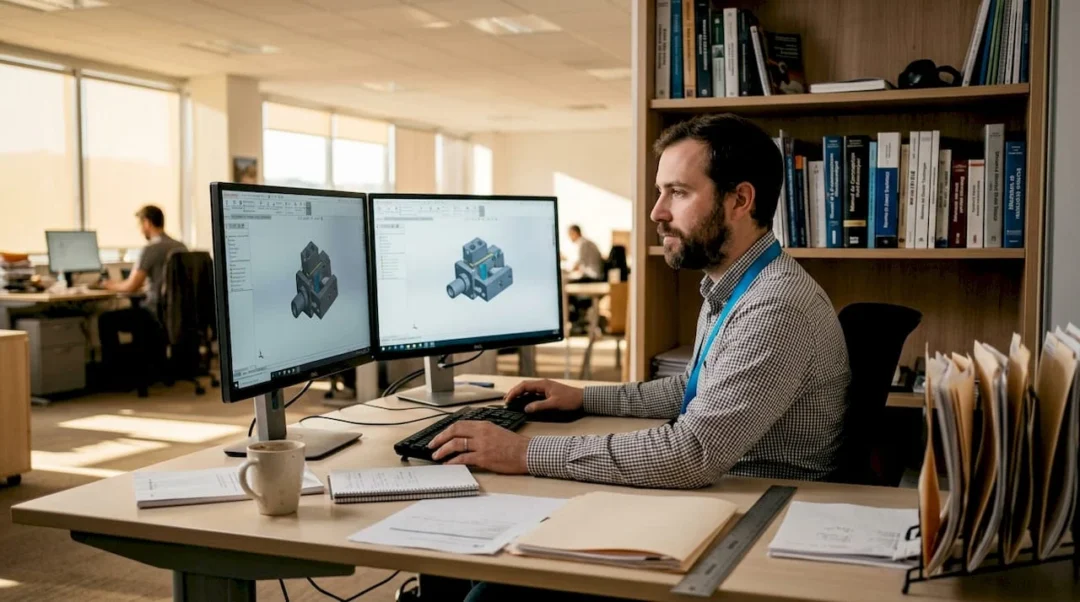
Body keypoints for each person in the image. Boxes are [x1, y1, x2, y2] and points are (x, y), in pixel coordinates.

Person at [429, 113, 851, 491]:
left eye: (678, 193)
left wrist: (522, 453)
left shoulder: (775, 306)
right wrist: (583, 397)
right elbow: (695, 387)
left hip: (755, 504)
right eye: (659, 192)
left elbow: (692, 453)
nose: (656, 213)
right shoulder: (733, 285)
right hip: (726, 488)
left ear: (740, 200)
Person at [98, 205, 187, 394]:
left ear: (147, 223)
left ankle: (115, 379)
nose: (140, 229)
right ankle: (155, 368)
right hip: (177, 314)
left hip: (153, 314)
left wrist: (109, 285)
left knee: (106, 320)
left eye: (140, 225)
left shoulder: (151, 249)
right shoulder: (180, 247)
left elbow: (131, 286)